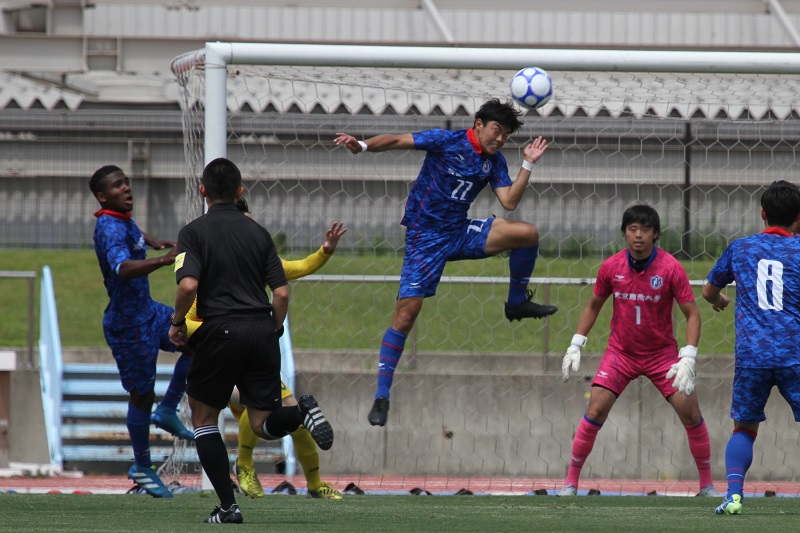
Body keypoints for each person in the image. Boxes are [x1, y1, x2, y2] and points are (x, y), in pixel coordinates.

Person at [335, 98, 558, 427]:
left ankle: (515, 303)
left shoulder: (493, 161)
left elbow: (509, 202)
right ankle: (382, 395)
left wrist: (528, 164)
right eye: (497, 131)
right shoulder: (446, 141)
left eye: (507, 135)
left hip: (459, 231)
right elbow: (398, 140)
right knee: (406, 316)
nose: (500, 140)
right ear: (478, 123)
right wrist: (363, 145)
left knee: (527, 233)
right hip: (424, 239)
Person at [169, 157, 334, 524]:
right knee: (263, 422)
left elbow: (188, 285)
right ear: (240, 191)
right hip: (261, 331)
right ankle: (300, 412)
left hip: (220, 331)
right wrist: (273, 328)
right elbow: (282, 294)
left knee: (204, 417)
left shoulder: (193, 232)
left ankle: (228, 508)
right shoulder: (258, 234)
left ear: (202, 191)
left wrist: (177, 321)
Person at [558, 204, 719, 498]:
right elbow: (594, 305)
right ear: (624, 234)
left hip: (662, 356)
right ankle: (570, 483)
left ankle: (707, 486)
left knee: (691, 412)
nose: (639, 235)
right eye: (633, 229)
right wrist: (575, 343)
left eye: (645, 229)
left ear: (656, 234)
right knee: (595, 409)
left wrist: (689, 356)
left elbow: (692, 314)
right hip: (621, 353)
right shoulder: (611, 267)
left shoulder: (670, 267)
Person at [89, 165, 194, 499]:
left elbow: (131, 237)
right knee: (141, 395)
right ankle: (143, 466)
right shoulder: (107, 226)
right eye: (118, 185)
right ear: (103, 196)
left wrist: (150, 240)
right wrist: (163, 260)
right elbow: (121, 268)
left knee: (197, 340)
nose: (127, 188)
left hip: (148, 312)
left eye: (127, 182)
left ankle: (168, 409)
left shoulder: (121, 218)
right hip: (128, 326)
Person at [702, 180, 800, 515]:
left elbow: (709, 290)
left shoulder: (741, 248)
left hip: (752, 356)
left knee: (744, 426)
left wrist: (720, 299)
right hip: (794, 354)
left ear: (762, 213)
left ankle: (733, 496)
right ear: (799, 218)